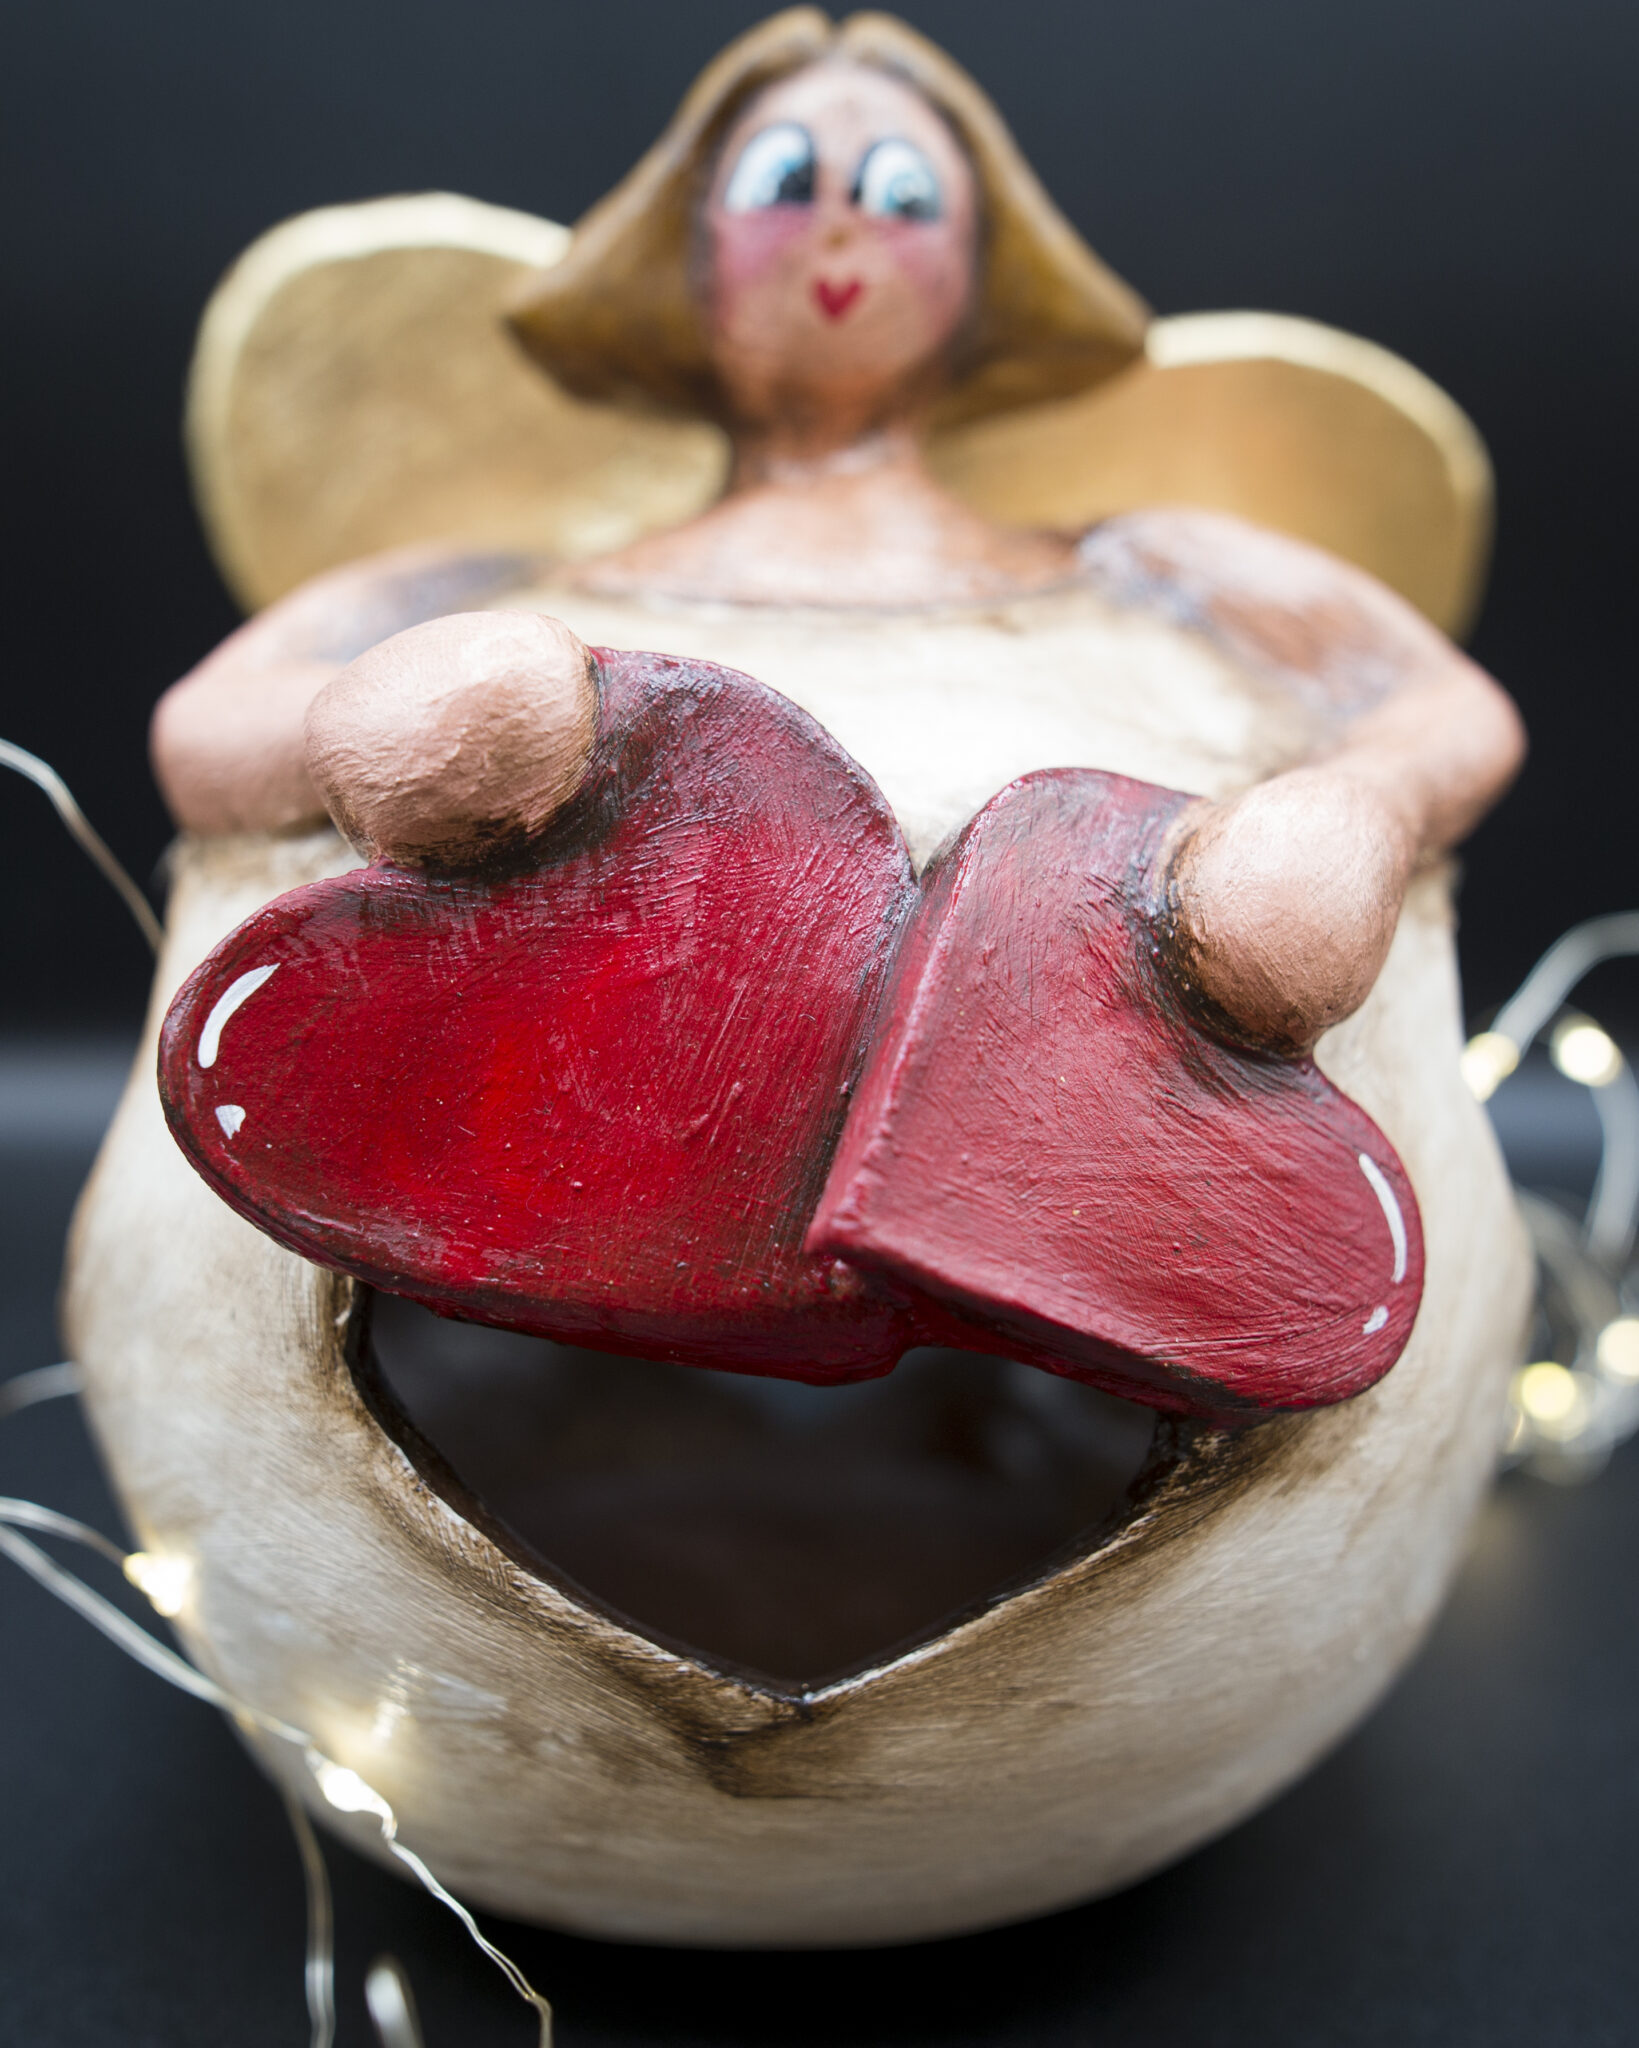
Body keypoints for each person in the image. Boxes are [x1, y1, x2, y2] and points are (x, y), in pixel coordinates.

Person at [151, 7, 1522, 1056]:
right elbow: (208, 728)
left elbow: (1439, 706)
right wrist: (398, 726)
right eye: (785, 181)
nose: (844, 225)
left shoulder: (1154, 564)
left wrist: (1354, 813)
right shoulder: (504, 583)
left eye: (904, 195)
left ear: (981, 275)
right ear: (689, 256)